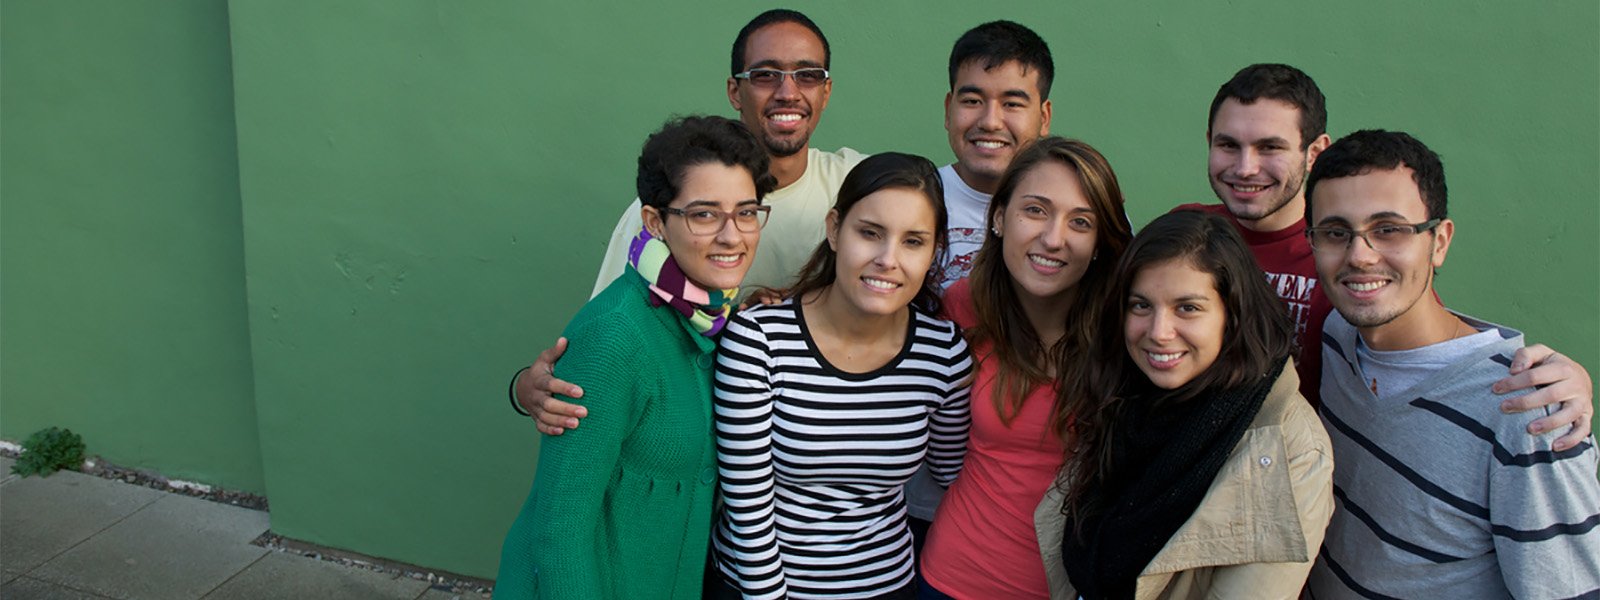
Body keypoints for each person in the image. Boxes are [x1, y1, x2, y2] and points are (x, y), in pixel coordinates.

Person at [1175, 64, 1592, 446]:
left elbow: (1431, 350)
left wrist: (1562, 380)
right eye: (1229, 145)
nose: (1246, 168)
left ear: (1315, 152)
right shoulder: (1186, 234)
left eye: (1270, 147)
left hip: (1305, 479)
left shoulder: (1353, 265)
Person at [512, 9, 865, 426]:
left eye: (807, 75)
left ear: (826, 90)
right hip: (699, 432)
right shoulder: (665, 209)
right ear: (735, 91)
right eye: (765, 75)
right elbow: (602, 339)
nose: (788, 92)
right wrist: (527, 388)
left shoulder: (860, 190)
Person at [1302, 130, 1600, 598]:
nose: (1360, 255)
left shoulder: (1529, 408)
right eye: (1336, 233)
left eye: (1389, 229)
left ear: (1438, 241)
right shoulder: (1339, 337)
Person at [495, 115, 776, 600]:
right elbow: (561, 526)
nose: (732, 236)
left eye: (746, 212)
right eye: (704, 215)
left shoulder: (714, 319)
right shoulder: (616, 337)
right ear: (655, 222)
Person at [709, 153, 974, 600]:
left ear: (935, 250)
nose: (888, 259)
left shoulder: (943, 354)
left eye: (913, 241)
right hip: (757, 588)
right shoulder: (759, 340)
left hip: (886, 587)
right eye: (870, 233)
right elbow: (747, 504)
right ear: (835, 229)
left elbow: (954, 472)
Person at [1037, 210, 1335, 599]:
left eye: (1188, 308)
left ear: (1232, 314)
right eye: (1141, 305)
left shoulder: (1292, 450)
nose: (1159, 332)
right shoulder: (1126, 393)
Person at [918, 137, 1133, 599]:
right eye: (1035, 210)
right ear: (999, 218)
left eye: (1080, 222)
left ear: (1100, 241)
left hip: (1072, 587)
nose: (1053, 238)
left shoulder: (1127, 332)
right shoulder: (963, 306)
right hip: (951, 578)